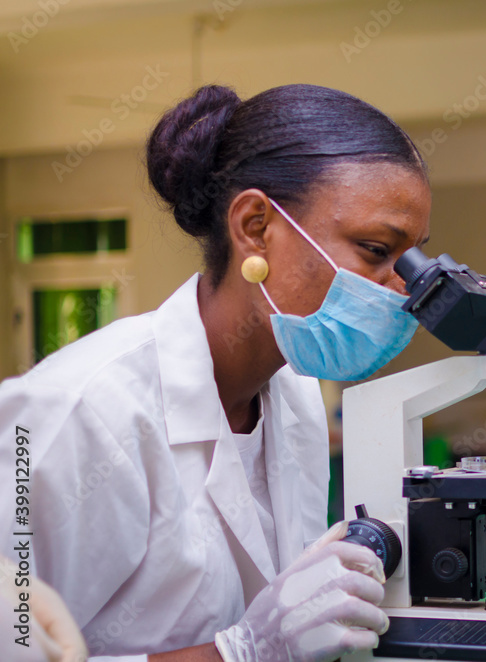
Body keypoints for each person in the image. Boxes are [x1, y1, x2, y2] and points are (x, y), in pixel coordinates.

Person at [0, 83, 432, 662]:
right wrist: (239, 653)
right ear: (254, 226)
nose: (402, 289)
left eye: (410, 259)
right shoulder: (78, 410)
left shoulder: (296, 391)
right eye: (377, 249)